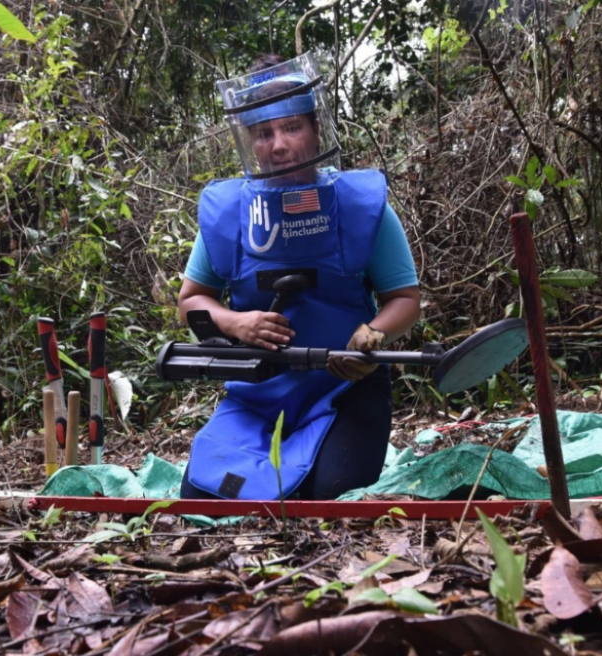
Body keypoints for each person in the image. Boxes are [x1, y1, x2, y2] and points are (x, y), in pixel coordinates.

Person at [177, 53, 420, 501]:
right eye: (264, 132)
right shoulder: (230, 213)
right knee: (204, 495)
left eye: (291, 127)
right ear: (250, 140)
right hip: (257, 390)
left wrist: (371, 335)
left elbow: (404, 297)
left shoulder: (358, 205)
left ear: (314, 128)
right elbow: (192, 301)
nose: (279, 145)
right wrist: (235, 322)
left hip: (346, 386)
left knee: (325, 494)